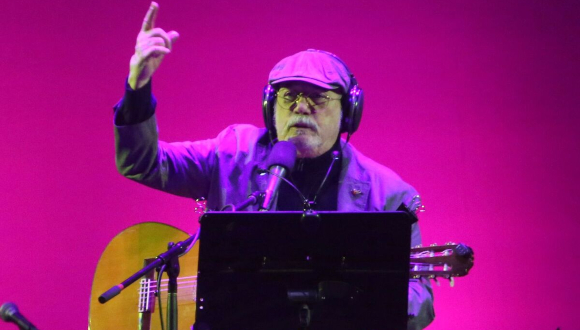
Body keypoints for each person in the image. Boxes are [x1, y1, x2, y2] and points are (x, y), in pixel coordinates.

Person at [113, 2, 434, 329]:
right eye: (289, 96)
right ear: (269, 107)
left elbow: (420, 300)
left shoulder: (389, 195)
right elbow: (144, 163)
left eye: (318, 97)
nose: (301, 107)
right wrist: (137, 89)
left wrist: (359, 306)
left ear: (349, 111)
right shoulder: (231, 153)